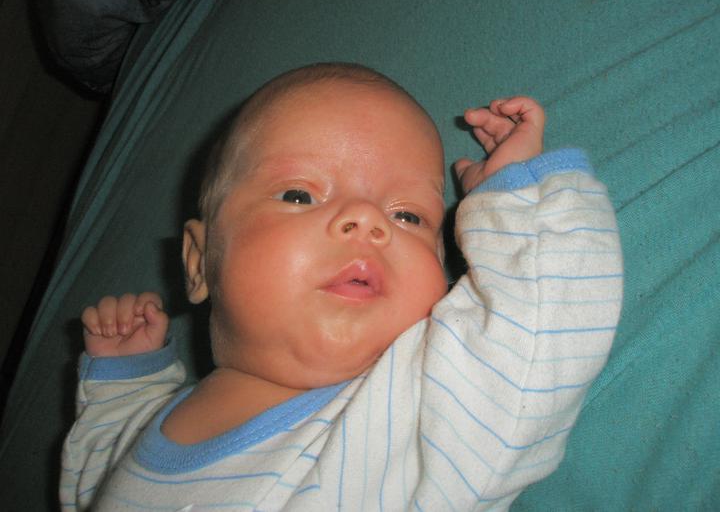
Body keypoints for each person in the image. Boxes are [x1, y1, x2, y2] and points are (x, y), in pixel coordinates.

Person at [60, 63, 623, 511]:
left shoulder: (421, 419)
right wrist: (124, 385)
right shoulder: (142, 431)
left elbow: (540, 332)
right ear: (199, 263)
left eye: (408, 216)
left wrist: (514, 200)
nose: (367, 219)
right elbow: (97, 474)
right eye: (299, 195)